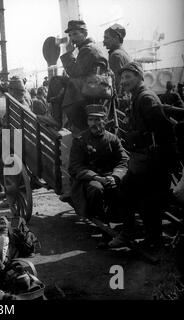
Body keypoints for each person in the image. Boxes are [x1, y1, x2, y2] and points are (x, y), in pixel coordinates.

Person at [109, 62, 179, 249]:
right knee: (143, 199)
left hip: (152, 159)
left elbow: (164, 130)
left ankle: (136, 236)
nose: (123, 81)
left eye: (128, 77)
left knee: (136, 196)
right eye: (122, 78)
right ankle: (146, 237)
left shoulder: (145, 98)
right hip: (144, 158)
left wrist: (164, 160)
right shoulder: (137, 97)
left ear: (140, 76)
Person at [68, 104, 128, 247]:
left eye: (97, 119)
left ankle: (126, 227)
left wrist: (115, 176)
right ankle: (105, 230)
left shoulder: (112, 139)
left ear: (105, 121)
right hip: (87, 180)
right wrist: (96, 177)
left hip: (109, 176)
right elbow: (75, 166)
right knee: (97, 190)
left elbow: (123, 160)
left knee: (126, 187)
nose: (94, 123)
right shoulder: (80, 140)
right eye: (91, 120)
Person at [60, 20, 109, 133]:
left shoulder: (87, 49)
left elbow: (74, 72)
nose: (72, 38)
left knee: (56, 81)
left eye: (76, 34)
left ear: (85, 34)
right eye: (70, 35)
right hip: (93, 89)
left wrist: (68, 54)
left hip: (89, 92)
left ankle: (57, 119)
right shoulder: (89, 47)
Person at [103, 24, 132, 94]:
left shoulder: (116, 56)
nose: (104, 42)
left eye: (106, 38)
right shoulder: (122, 53)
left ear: (116, 38)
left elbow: (117, 83)